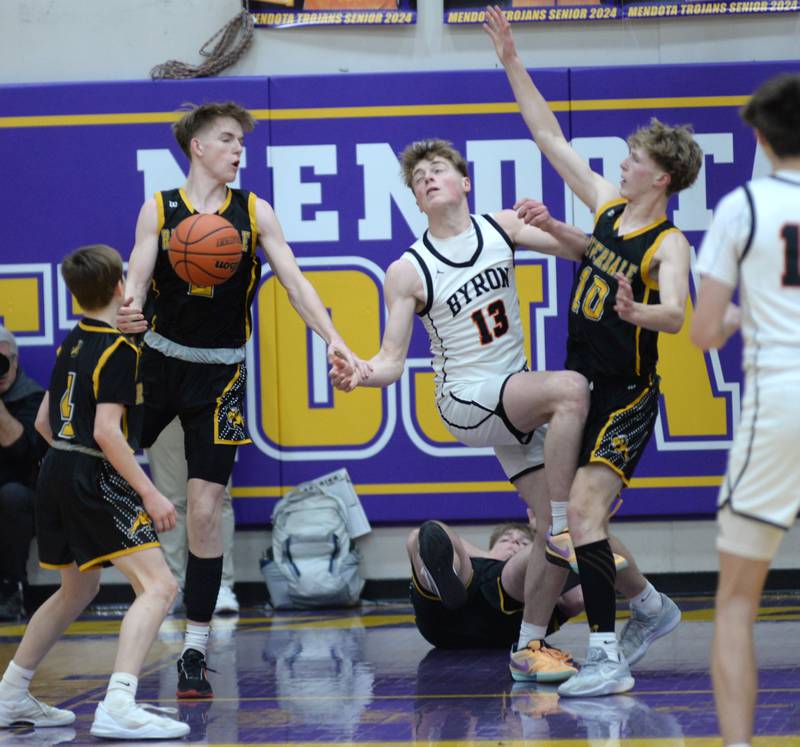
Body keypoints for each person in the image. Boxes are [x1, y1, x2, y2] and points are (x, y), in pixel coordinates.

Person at [118, 101, 369, 699]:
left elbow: (295, 280)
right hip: (156, 363)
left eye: (241, 142)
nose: (238, 150)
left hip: (221, 374)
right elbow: (136, 272)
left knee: (205, 509)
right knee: (131, 493)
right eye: (228, 140)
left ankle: (194, 647)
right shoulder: (160, 207)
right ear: (197, 147)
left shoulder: (254, 211)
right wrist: (128, 303)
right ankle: (135, 603)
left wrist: (335, 339)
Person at [484, 5, 699, 697]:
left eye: (636, 158)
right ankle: (644, 613)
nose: (623, 160)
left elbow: (675, 311)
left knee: (581, 517)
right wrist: (512, 60)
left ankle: (608, 656)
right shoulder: (606, 207)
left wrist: (642, 308)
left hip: (629, 394)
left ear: (661, 177)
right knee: (564, 523)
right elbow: (547, 133)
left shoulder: (669, 243)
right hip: (582, 389)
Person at [330, 137, 594, 683]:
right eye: (418, 177)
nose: (428, 178)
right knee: (569, 390)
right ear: (417, 201)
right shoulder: (408, 269)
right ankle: (572, 524)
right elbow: (391, 361)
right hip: (466, 401)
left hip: (512, 402)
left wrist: (557, 224)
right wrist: (360, 374)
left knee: (548, 531)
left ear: (464, 182)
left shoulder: (501, 228)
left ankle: (530, 645)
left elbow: (584, 251)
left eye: (439, 169)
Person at [0, 245, 188, 739]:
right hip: (92, 472)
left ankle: (10, 694)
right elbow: (107, 431)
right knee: (160, 586)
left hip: (54, 467)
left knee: (76, 589)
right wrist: (149, 493)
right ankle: (119, 704)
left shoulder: (73, 342)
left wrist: (66, 465)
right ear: (120, 287)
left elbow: (44, 421)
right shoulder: (119, 351)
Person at [690, 72, 800, 747]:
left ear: (759, 137)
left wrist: (733, 317)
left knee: (735, 601)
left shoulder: (744, 205)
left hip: (780, 403)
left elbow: (701, 331)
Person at [408, 518, 583, 652]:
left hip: (512, 615)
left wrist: (545, 533)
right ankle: (438, 577)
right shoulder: (475, 564)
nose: (514, 543)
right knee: (421, 535)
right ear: (491, 547)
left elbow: (576, 600)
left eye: (523, 542)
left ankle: (549, 552)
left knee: (550, 547)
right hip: (445, 614)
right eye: (506, 540)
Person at [146, 417, 239, 615]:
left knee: (217, 498)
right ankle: (172, 586)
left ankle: (220, 585)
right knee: (170, 499)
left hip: (215, 399)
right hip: (166, 400)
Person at [0, 326, 47, 621]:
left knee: (11, 496)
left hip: (23, 498)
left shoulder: (32, 398)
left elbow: (23, 453)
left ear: (15, 361)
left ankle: (12, 589)